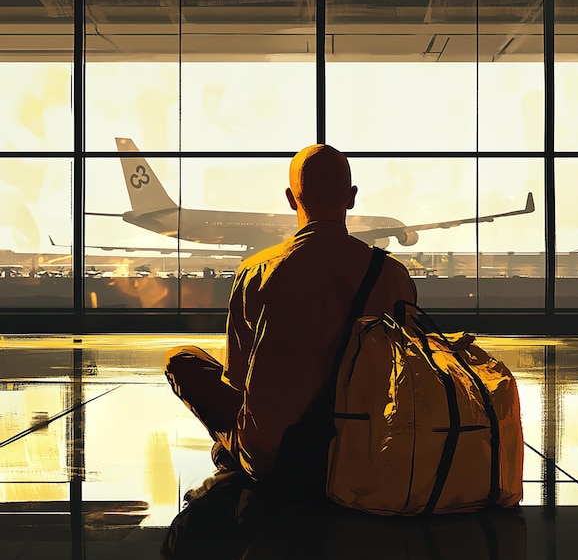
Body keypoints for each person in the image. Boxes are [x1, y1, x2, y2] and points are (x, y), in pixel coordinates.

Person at [164, 144, 417, 500]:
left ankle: (236, 451)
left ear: (290, 199)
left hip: (275, 458)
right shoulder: (393, 275)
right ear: (352, 198)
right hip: (367, 453)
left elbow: (237, 381)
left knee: (181, 361)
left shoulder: (257, 270)